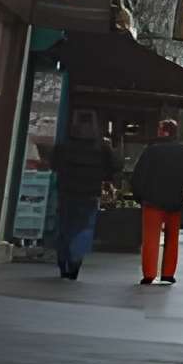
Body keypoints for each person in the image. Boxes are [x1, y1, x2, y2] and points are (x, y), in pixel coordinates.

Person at [126, 120, 183, 285]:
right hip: (175, 202)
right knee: (173, 237)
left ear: (161, 131)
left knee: (151, 237)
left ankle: (149, 273)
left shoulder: (151, 152)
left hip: (152, 202)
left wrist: (139, 196)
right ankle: (168, 273)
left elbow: (137, 177)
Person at [47, 114, 118, 281]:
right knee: (84, 227)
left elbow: (54, 165)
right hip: (90, 194)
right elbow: (114, 167)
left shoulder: (63, 148)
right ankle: (75, 259)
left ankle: (63, 261)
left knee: (65, 226)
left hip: (66, 193)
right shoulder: (102, 149)